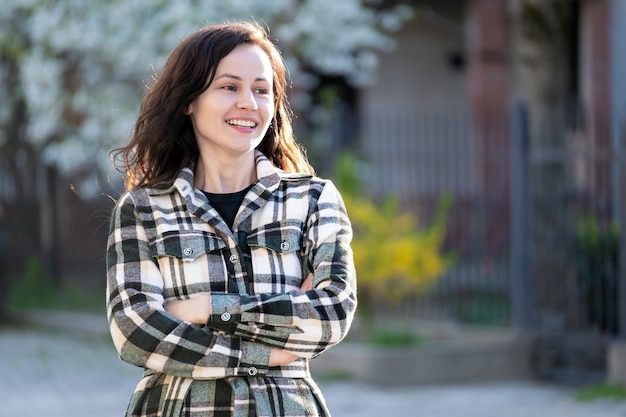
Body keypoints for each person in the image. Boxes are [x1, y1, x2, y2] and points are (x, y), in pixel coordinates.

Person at [106, 21, 357, 417]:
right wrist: (268, 351)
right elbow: (135, 333)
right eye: (229, 87)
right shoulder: (143, 210)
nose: (248, 103)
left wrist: (207, 308)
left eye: (261, 89)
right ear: (189, 100)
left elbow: (332, 312)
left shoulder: (313, 200)